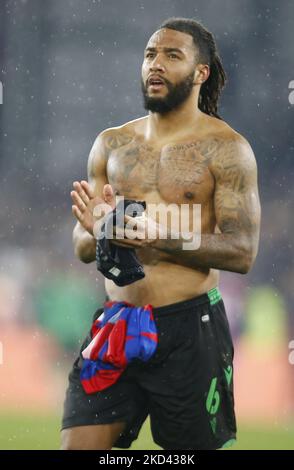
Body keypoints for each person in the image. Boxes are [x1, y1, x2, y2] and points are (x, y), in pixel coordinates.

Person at [61, 17, 260, 450]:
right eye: (151, 54)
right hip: (116, 324)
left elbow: (243, 252)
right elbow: (81, 245)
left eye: (172, 55)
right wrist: (100, 232)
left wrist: (160, 237)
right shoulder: (111, 144)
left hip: (190, 329)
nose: (156, 64)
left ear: (200, 72)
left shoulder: (227, 149)